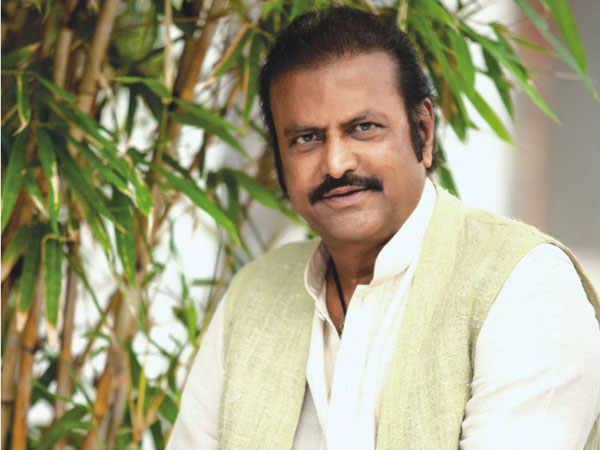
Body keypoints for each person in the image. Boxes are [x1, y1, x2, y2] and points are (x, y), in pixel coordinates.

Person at [167, 7, 600, 450]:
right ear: (279, 160)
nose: (337, 163)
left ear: (422, 133)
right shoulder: (252, 297)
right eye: (306, 138)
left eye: (364, 128)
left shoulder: (523, 284)